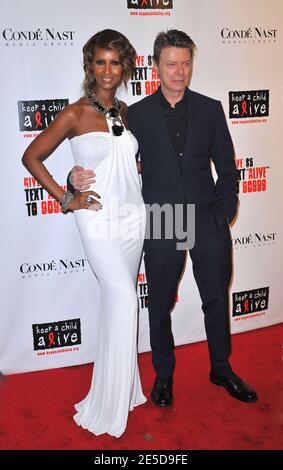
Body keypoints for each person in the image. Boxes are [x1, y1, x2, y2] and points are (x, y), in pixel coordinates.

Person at [70, 29, 258, 407]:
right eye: (171, 64)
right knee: (159, 302)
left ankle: (221, 368)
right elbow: (104, 159)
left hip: (207, 216)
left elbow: (228, 168)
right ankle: (164, 377)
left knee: (215, 298)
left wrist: (224, 212)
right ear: (155, 66)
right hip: (163, 217)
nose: (180, 72)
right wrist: (72, 181)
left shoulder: (210, 109)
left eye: (186, 64)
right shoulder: (132, 115)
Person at [22, 29, 147, 438]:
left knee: (118, 305)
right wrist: (66, 194)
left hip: (132, 217)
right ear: (89, 65)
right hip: (95, 218)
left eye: (115, 62)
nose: (107, 70)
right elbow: (32, 156)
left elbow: (124, 164)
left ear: (125, 65)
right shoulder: (75, 113)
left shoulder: (125, 112)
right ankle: (106, 405)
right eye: (99, 61)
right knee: (125, 300)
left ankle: (124, 390)